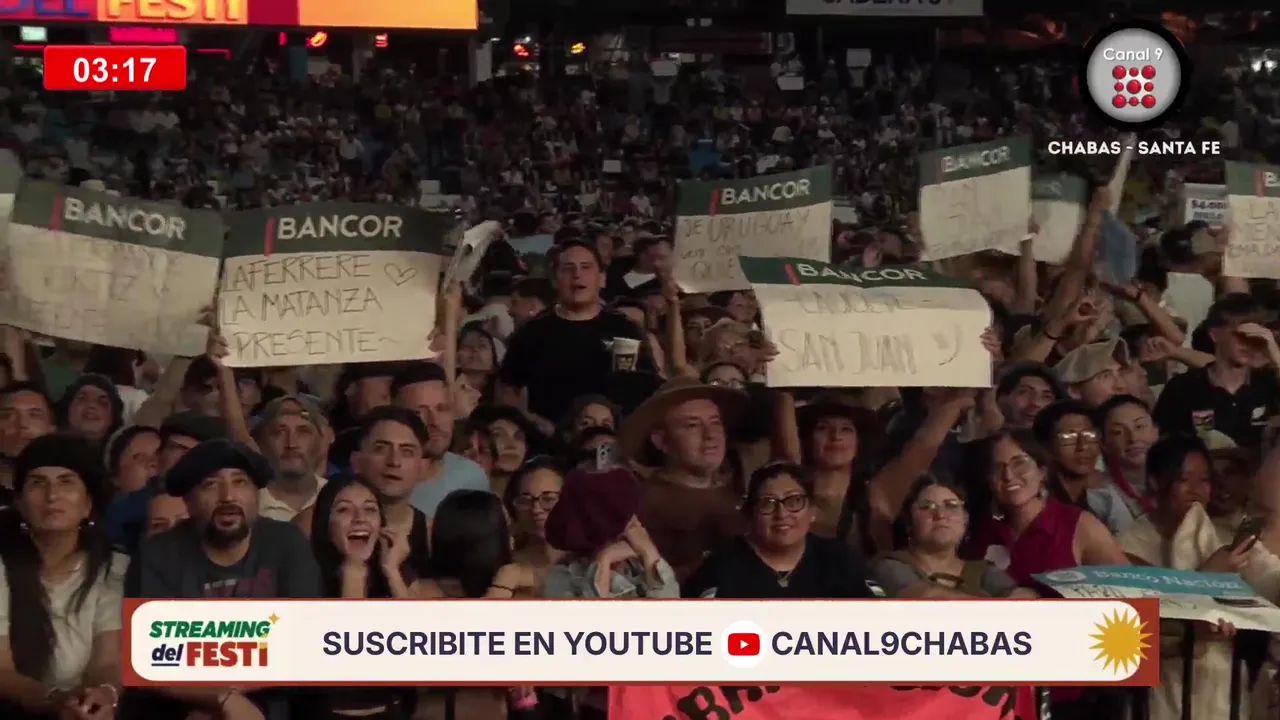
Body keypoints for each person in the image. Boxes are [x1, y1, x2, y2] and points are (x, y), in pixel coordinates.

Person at [125, 438, 322, 720]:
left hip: (271, 699)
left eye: (240, 482)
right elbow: (150, 659)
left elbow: (307, 640)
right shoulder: (158, 553)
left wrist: (228, 690)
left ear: (256, 495)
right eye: (210, 485)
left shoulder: (285, 541)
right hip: (181, 706)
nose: (228, 496)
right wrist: (221, 698)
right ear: (189, 503)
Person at [1118, 435, 1280, 720]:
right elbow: (1131, 626)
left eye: (1204, 480)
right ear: (1155, 482)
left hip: (1224, 681)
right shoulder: (1124, 545)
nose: (1197, 490)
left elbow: (1269, 579)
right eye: (1184, 480)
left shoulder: (1222, 534)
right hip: (1163, 682)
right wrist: (1208, 575)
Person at [0, 434, 124, 720]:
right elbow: (2, 670)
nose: (52, 496)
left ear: (87, 504)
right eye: (37, 483)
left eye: (66, 482)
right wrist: (56, 701)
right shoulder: (3, 565)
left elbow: (107, 661)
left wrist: (103, 695)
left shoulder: (113, 567)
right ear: (19, 502)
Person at [498, 240, 654, 434]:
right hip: (550, 441)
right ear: (555, 280)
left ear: (602, 278)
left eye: (586, 267)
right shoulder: (532, 331)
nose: (577, 275)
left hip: (614, 439)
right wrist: (531, 422)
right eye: (568, 268)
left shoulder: (625, 329)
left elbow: (647, 390)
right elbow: (507, 388)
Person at [683, 463, 880, 599]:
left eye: (794, 501)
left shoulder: (839, 559)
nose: (782, 514)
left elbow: (880, 619)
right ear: (750, 515)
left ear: (812, 511)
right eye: (767, 503)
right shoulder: (720, 568)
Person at [617, 378, 748, 580]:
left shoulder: (741, 489)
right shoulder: (642, 504)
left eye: (715, 422)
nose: (710, 434)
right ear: (661, 440)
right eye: (692, 425)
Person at [872, 475, 1034, 599]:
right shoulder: (889, 565)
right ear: (909, 522)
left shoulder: (982, 571)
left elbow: (1025, 599)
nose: (940, 515)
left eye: (951, 505)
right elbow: (925, 598)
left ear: (965, 520)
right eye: (926, 507)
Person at [1154, 293, 1280, 448]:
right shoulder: (1184, 388)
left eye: (1254, 336)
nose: (1247, 343)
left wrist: (1276, 356)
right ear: (1215, 335)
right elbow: (1163, 447)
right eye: (1241, 335)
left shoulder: (1270, 381)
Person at [390, 363, 490, 518]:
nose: (434, 422)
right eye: (418, 413)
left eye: (442, 409)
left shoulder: (471, 476)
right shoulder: (379, 481)